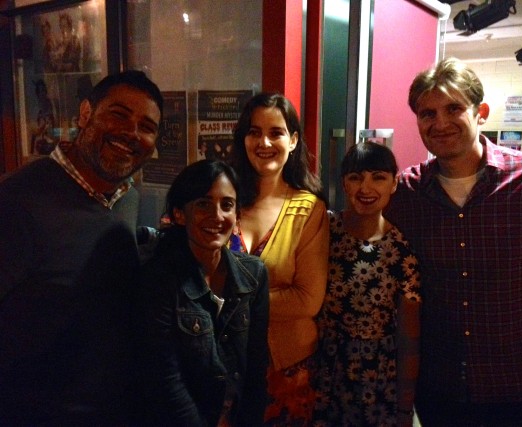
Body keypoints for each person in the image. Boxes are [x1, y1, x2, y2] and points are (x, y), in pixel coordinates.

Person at [385, 57, 522, 427]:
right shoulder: (406, 193)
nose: (440, 123)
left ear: (480, 112)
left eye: (454, 108)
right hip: (442, 388)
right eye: (427, 113)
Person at [0, 70, 163, 424]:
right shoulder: (15, 199)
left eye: (146, 126)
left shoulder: (127, 200)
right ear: (86, 114)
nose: (131, 133)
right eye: (119, 114)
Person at [138, 159, 270, 427]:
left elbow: (256, 368)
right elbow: (165, 377)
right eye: (203, 204)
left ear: (237, 217)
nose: (217, 215)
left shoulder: (254, 274)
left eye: (227, 205)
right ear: (178, 214)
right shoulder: (159, 278)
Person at [229, 92, 329, 425]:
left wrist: (231, 303)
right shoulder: (224, 201)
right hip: (226, 365)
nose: (264, 142)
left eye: (276, 132)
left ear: (294, 140)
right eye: (254, 131)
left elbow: (307, 301)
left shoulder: (308, 209)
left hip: (286, 371)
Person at [312, 142, 421, 427]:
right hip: (320, 369)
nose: (366, 187)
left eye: (378, 177)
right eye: (356, 177)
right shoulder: (322, 231)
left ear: (394, 184)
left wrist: (405, 409)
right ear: (344, 184)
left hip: (376, 380)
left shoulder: (401, 250)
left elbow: (409, 338)